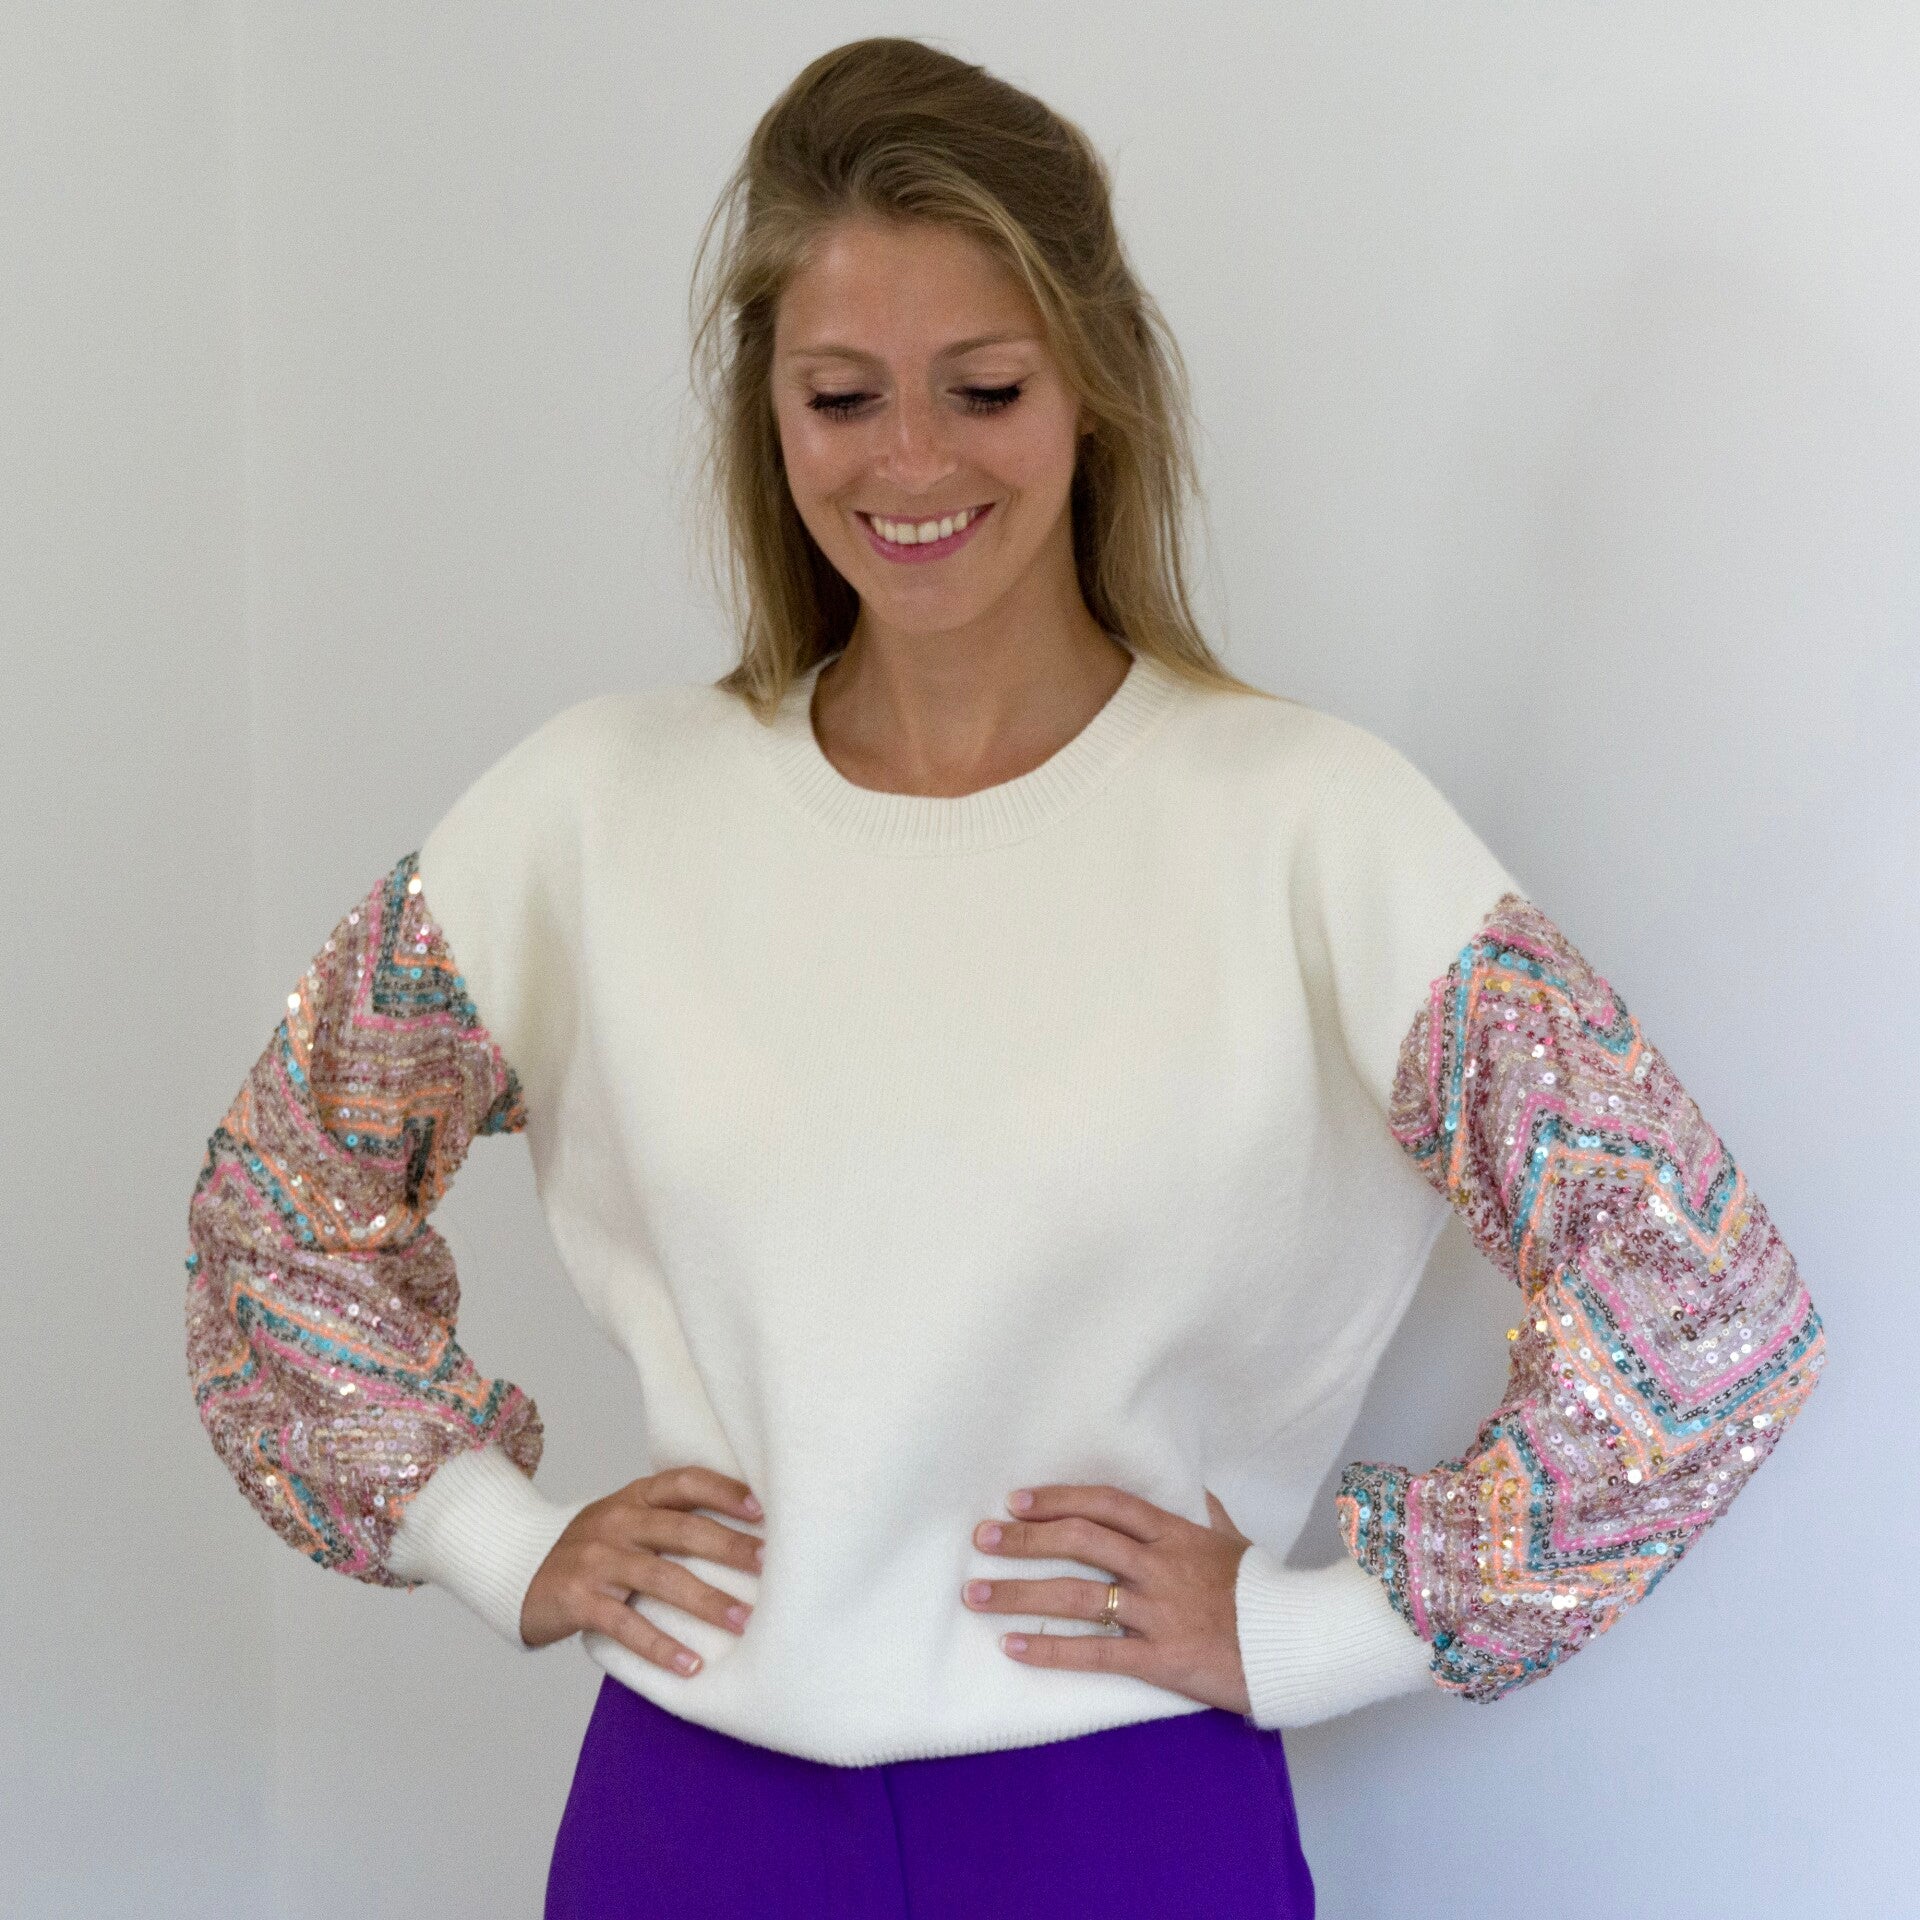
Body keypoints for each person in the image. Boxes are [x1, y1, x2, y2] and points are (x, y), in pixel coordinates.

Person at [182, 36, 1826, 1919]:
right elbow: (273, 1208)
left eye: (983, 387)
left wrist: (1322, 1631)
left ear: (1092, 386)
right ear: (769, 409)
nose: (912, 461)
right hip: (692, 1815)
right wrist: (490, 1534)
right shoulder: (594, 814)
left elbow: (1706, 1303)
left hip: (1125, 1816)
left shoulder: (1309, 826)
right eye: (841, 395)